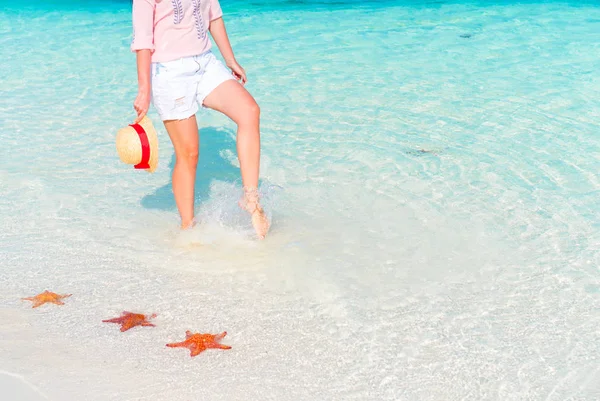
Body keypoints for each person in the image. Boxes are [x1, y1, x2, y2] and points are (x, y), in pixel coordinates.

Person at [130, 0, 270, 239]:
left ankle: (250, 199)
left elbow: (213, 15)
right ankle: (188, 229)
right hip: (169, 71)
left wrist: (230, 59)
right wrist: (144, 89)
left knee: (249, 111)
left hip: (205, 63)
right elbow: (143, 40)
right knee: (189, 154)